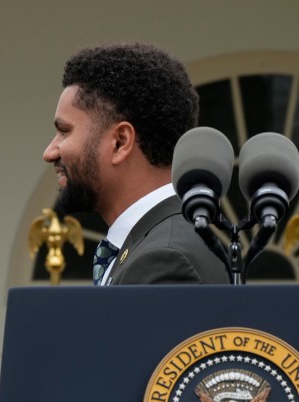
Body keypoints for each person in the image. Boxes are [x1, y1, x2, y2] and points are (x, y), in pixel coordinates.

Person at [42, 42, 229, 285]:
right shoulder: (153, 244)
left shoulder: (164, 259)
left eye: (65, 131)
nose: (49, 152)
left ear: (120, 142)